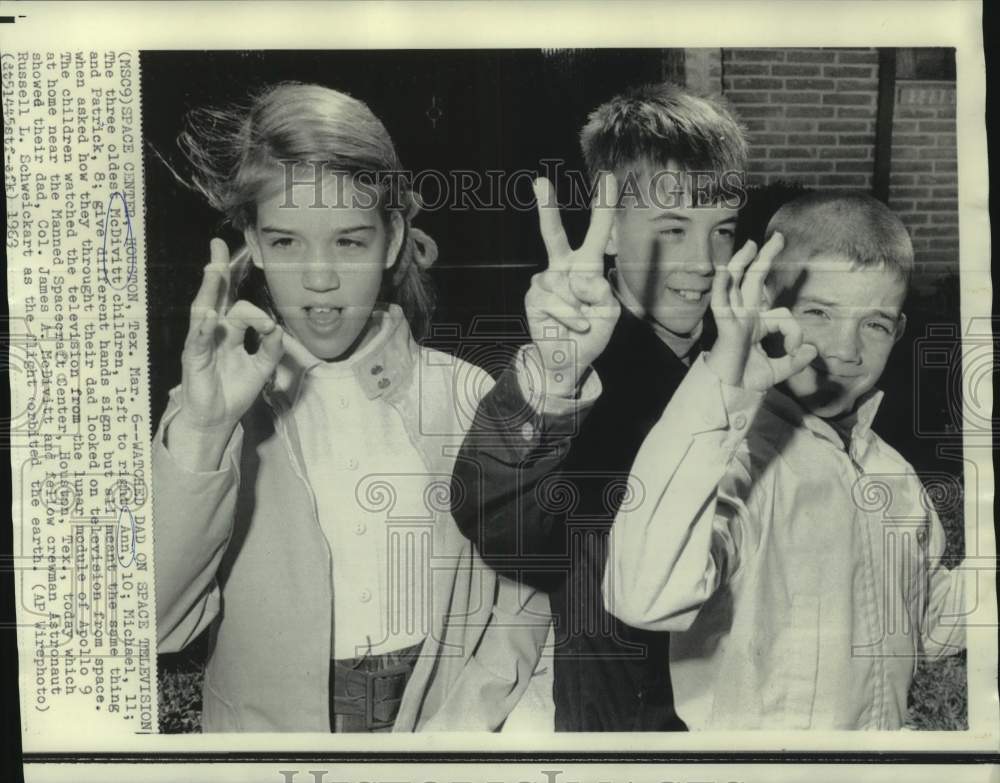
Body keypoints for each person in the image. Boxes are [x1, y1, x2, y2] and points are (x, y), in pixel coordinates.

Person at [152, 82, 562, 733]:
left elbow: (527, 588)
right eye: (286, 242)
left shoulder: (467, 396)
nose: (319, 277)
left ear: (393, 236)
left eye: (348, 241)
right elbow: (159, 623)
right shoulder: (209, 413)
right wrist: (206, 427)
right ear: (252, 245)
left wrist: (465, 724)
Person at [603, 193, 966, 729]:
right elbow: (643, 596)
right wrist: (721, 385)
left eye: (876, 324)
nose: (846, 350)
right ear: (765, 309)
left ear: (900, 332)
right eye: (819, 312)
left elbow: (927, 626)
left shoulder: (894, 475)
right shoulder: (736, 461)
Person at [450, 82, 749, 731]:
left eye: (721, 231)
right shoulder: (586, 374)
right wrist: (556, 382)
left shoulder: (745, 361)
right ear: (608, 233)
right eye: (672, 229)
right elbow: (505, 531)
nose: (703, 262)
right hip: (622, 722)